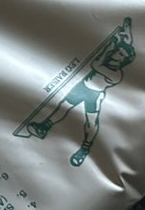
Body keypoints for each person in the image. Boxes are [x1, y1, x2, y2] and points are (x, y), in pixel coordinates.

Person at [27, 20, 134, 166]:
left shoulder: (117, 75)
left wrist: (110, 46)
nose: (117, 54)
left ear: (124, 60)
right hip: (82, 86)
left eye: (121, 54)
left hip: (94, 95)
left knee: (90, 121)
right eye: (118, 51)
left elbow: (96, 65)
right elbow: (124, 41)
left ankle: (84, 148)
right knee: (62, 106)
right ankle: (44, 127)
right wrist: (124, 32)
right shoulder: (110, 59)